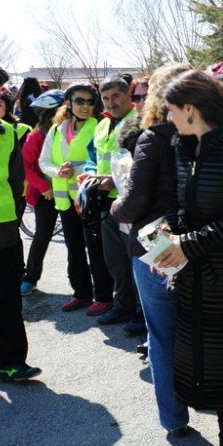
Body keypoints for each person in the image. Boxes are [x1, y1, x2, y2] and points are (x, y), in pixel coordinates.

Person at [146, 70, 223, 446]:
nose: (167, 117)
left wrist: (188, 244)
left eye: (172, 110)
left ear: (190, 109)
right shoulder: (183, 145)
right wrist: (168, 228)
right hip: (194, 277)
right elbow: (179, 199)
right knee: (211, 364)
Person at [110, 63, 191, 437]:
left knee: (161, 334)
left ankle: (174, 418)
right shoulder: (210, 134)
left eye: (143, 95)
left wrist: (113, 204)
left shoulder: (153, 137)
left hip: (156, 245)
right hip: (200, 241)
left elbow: (132, 203)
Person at [0, 57, 41, 383]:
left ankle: (9, 362)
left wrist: (13, 217)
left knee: (5, 301)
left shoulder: (6, 132)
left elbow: (17, 182)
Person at [40, 83, 113, 314]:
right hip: (64, 201)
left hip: (88, 200)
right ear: (68, 103)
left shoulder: (99, 126)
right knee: (74, 250)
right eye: (79, 101)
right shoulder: (56, 129)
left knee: (96, 250)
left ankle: (103, 296)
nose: (85, 106)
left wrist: (76, 168)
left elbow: (99, 161)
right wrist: (57, 171)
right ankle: (81, 293)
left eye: (90, 101)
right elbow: (45, 162)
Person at [82, 75, 140, 326]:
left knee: (136, 262)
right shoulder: (102, 124)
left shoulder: (140, 123)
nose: (111, 102)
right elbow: (92, 155)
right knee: (115, 261)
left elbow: (142, 166)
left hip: (131, 204)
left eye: (116, 96)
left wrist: (112, 181)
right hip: (105, 203)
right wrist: (90, 171)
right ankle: (123, 307)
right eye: (105, 98)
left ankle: (140, 313)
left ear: (129, 95)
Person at [19, 90, 65, 296]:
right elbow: (25, 166)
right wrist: (44, 187)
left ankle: (86, 281)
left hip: (70, 194)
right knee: (42, 237)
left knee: (80, 239)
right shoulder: (36, 136)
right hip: (45, 196)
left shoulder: (73, 132)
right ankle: (30, 278)